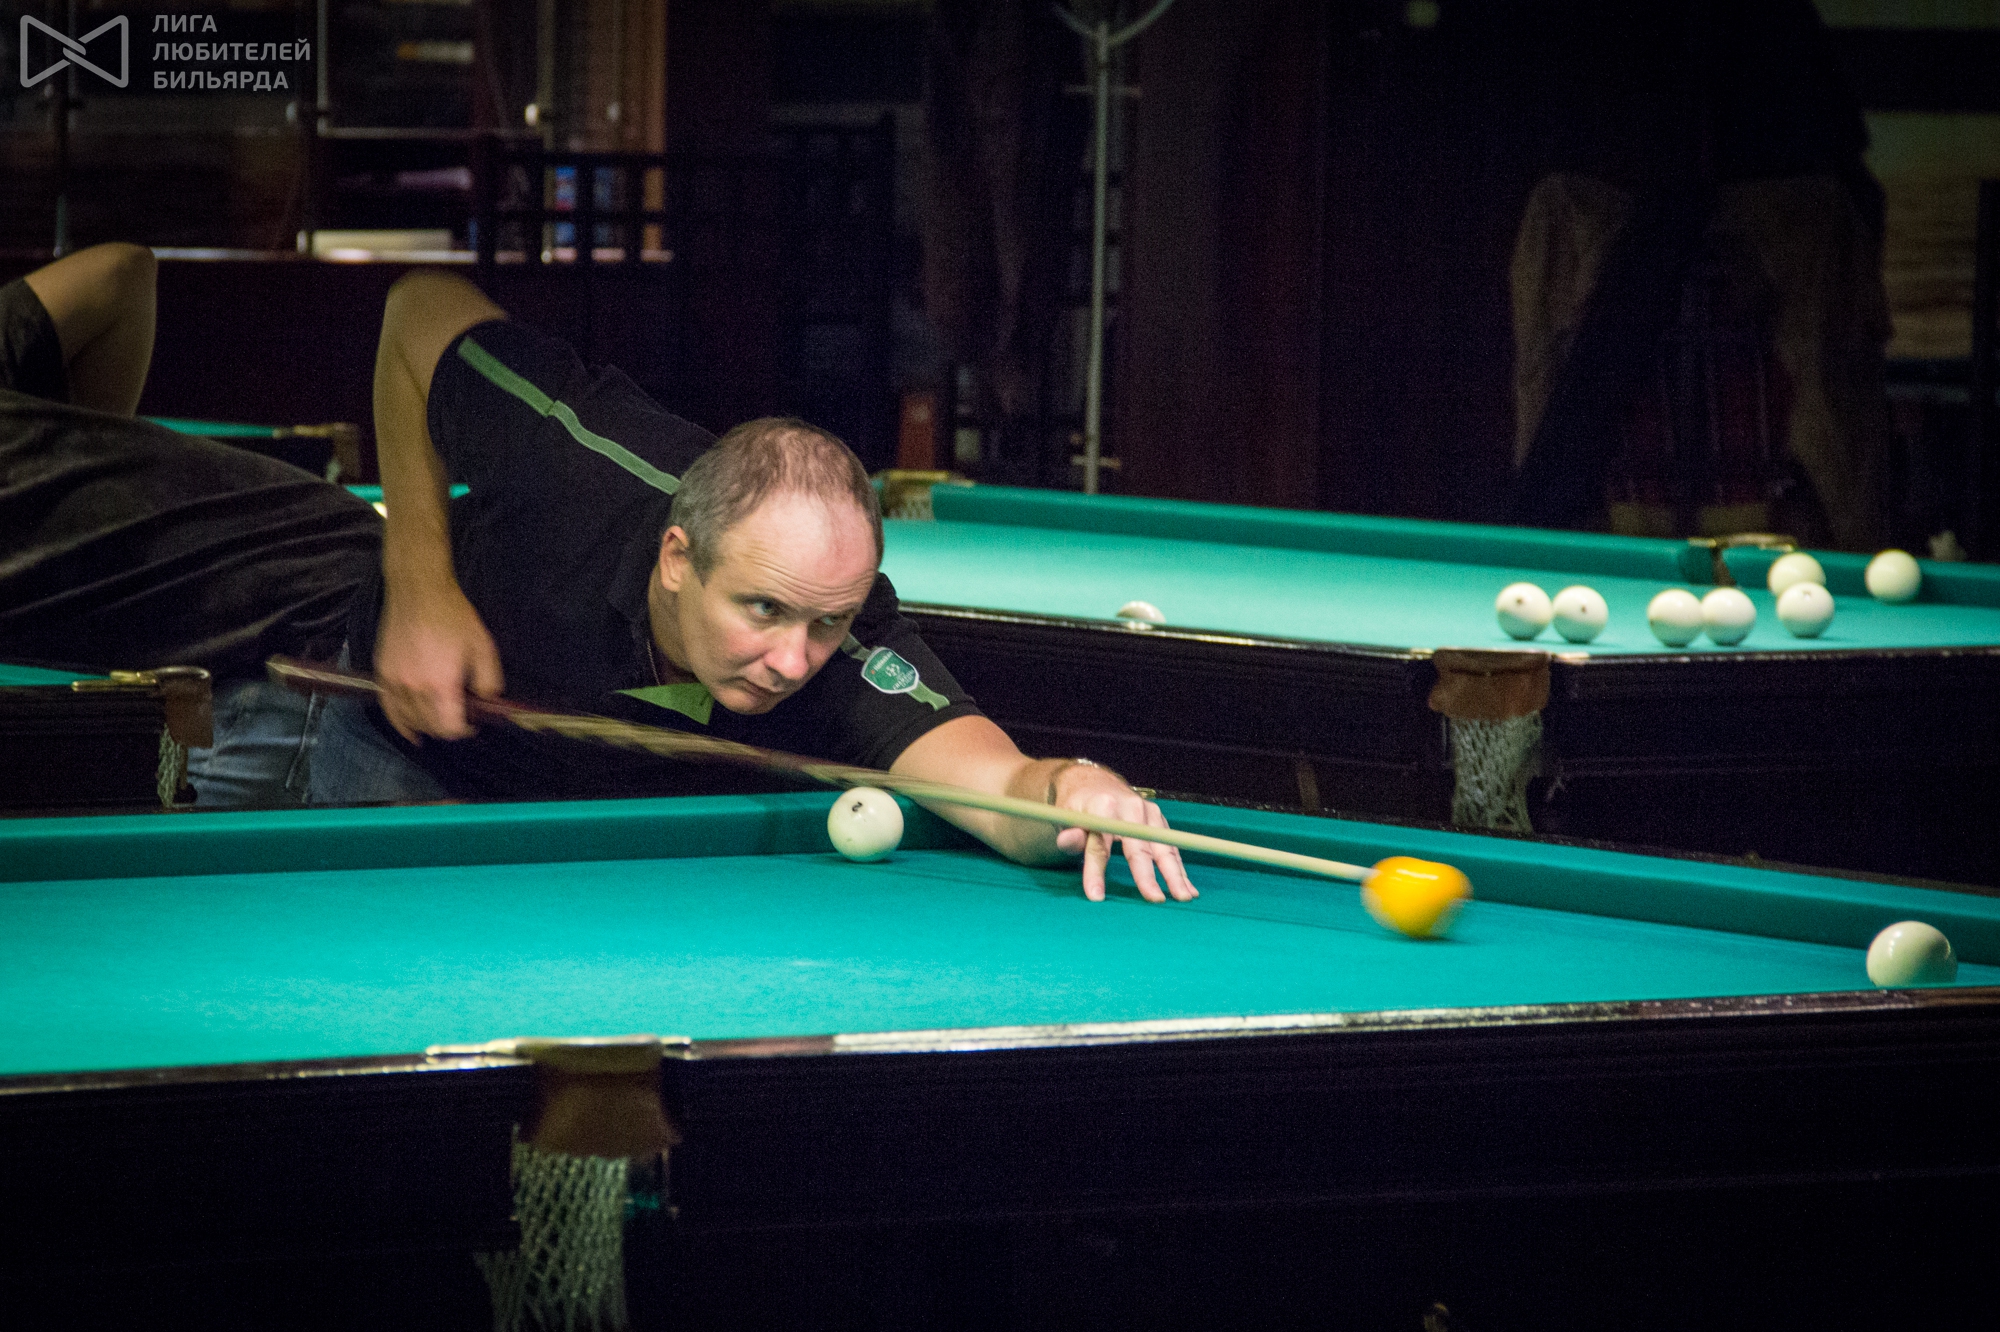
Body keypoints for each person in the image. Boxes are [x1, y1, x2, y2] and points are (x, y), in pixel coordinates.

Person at [0, 247, 1194, 904]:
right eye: (761, 610)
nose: (793, 660)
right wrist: (422, 582)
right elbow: (415, 313)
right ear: (678, 557)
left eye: (825, 625)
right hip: (370, 735)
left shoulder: (839, 644)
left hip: (552, 844)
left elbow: (1001, 785)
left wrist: (1075, 791)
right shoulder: (582, 457)